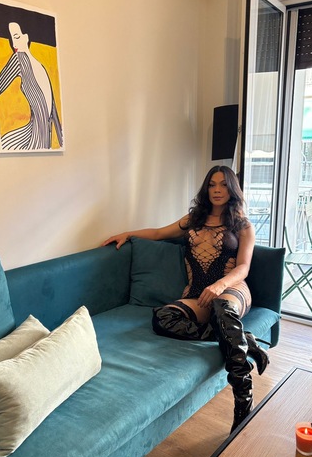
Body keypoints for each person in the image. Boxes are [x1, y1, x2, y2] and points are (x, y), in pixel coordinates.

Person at [101, 165, 269, 432]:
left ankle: (243, 399)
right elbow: (158, 234)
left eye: (223, 185)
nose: (217, 190)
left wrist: (220, 285)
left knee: (222, 308)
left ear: (232, 189)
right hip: (198, 294)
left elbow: (243, 267)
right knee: (163, 318)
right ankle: (240, 339)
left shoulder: (242, 225)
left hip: (232, 289)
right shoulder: (194, 219)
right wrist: (128, 234)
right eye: (212, 184)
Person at [0, 22, 63, 151]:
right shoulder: (24, 61)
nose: (14, 45)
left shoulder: (28, 63)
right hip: (39, 139)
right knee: (5, 144)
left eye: (16, 37)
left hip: (39, 140)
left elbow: (53, 111)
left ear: (26, 37)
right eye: (11, 40)